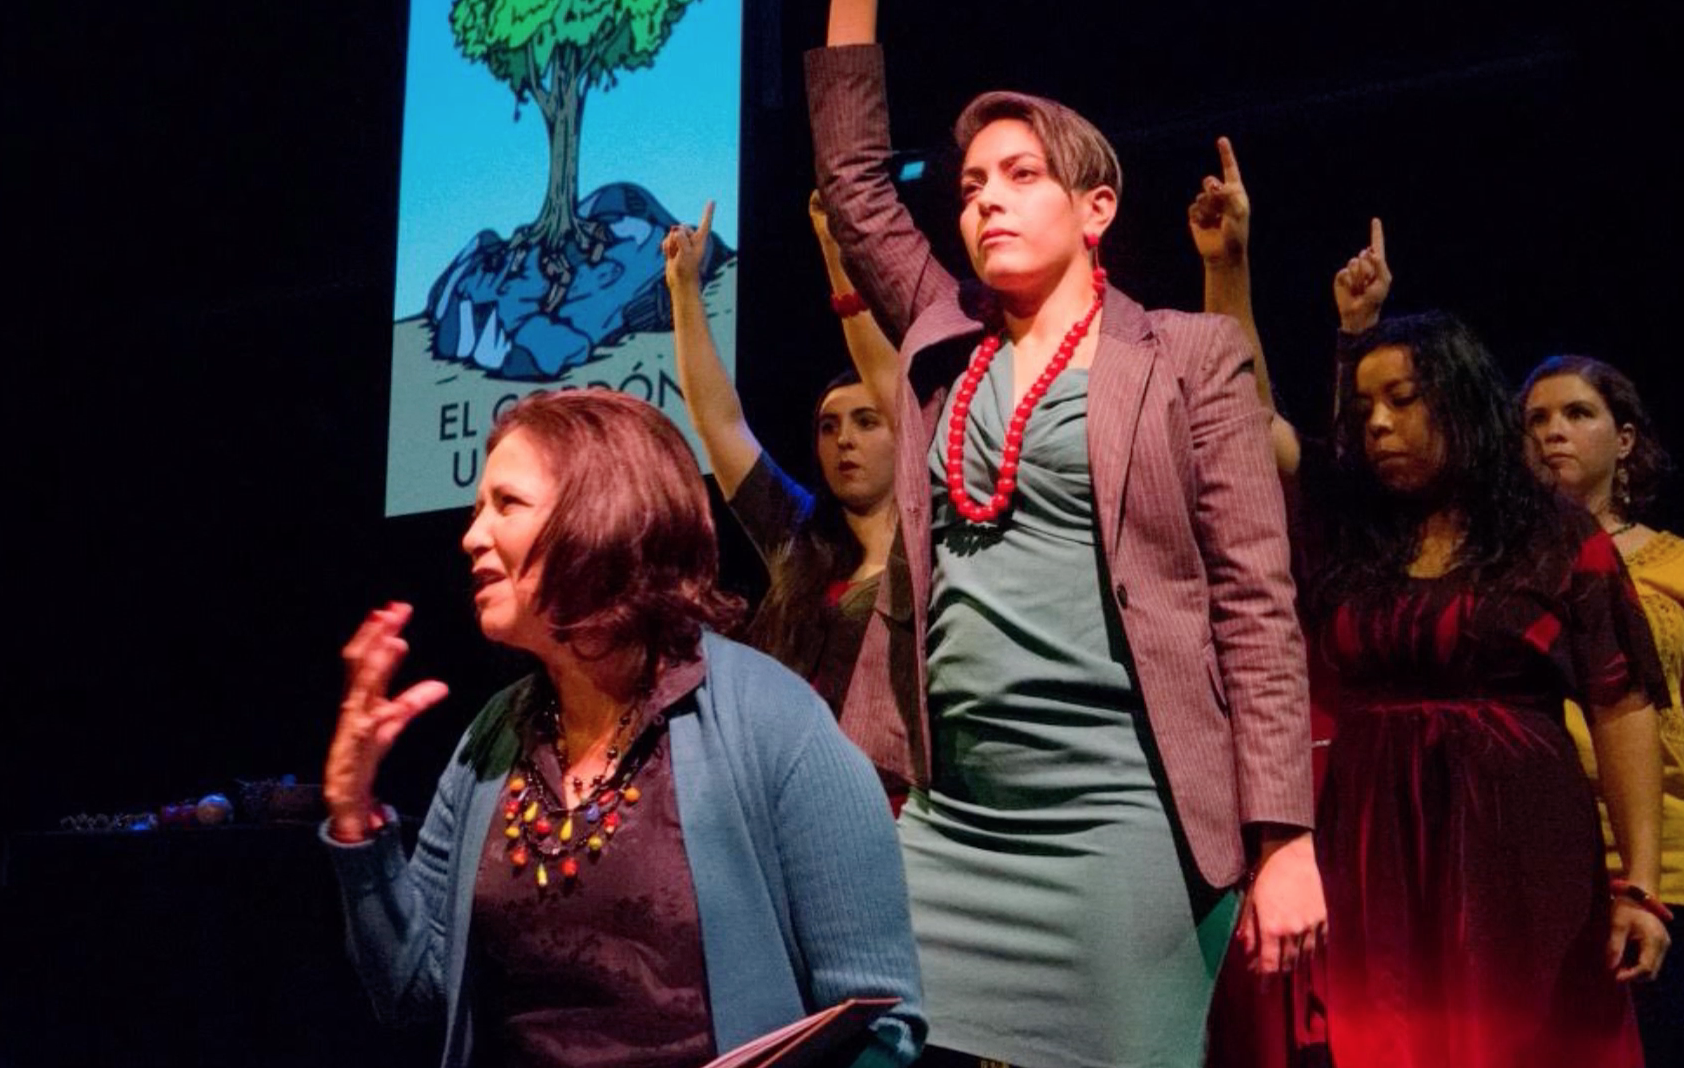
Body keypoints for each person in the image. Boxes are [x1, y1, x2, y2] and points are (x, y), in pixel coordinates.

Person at [807, 3, 1324, 1065]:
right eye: (969, 186)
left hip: (1118, 819)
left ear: (1096, 208)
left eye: (1020, 175)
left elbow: (1256, 603)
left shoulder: (1189, 357)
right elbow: (856, 186)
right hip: (949, 826)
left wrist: (1284, 837)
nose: (987, 198)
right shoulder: (944, 341)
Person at [320, 390, 925, 1068]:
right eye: (475, 510)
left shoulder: (774, 723)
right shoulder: (493, 739)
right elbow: (413, 995)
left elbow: (881, 1027)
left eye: (507, 505)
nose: (471, 536)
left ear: (602, 517)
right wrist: (354, 821)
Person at [1311, 311, 1669, 1067]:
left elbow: (1621, 704)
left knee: (1533, 1040)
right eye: (1365, 408)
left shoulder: (1556, 535)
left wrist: (1639, 887)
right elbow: (1253, 431)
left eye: (1402, 399)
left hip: (1520, 844)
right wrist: (1230, 270)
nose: (1378, 424)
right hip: (1375, 843)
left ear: (1463, 401)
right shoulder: (1354, 538)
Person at [662, 196, 920, 798]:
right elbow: (719, 425)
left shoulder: (930, 550)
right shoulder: (799, 536)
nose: (844, 440)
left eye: (865, 421)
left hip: (894, 814)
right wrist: (683, 291)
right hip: (779, 804)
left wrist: (835, 251)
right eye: (829, 427)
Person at [1522, 354, 1681, 1067]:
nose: (1553, 432)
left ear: (1623, 439)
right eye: (1536, 419)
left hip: (1670, 869)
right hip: (1549, 864)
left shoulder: (1675, 565)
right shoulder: (1507, 573)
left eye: (1577, 414)